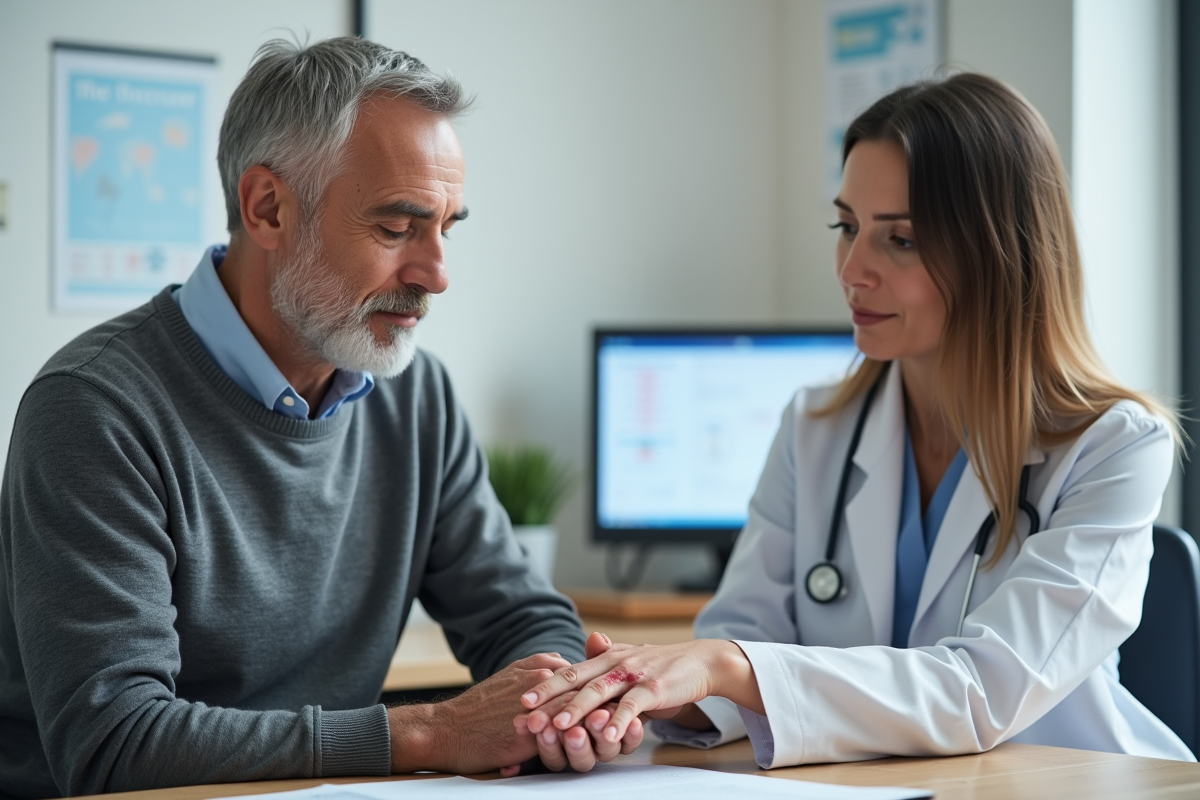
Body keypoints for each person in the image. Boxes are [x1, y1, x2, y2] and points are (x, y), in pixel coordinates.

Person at [0, 37, 638, 799]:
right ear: (267, 207)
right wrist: (431, 732)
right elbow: (114, 741)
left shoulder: (414, 394)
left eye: (447, 227)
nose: (436, 274)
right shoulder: (95, 407)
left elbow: (519, 616)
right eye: (398, 228)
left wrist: (560, 703)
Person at [517, 73, 1197, 766]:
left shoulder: (1111, 447)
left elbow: (983, 692)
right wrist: (639, 692)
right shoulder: (815, 428)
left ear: (998, 252)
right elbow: (740, 634)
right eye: (846, 227)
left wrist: (726, 667)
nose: (851, 270)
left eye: (899, 240)